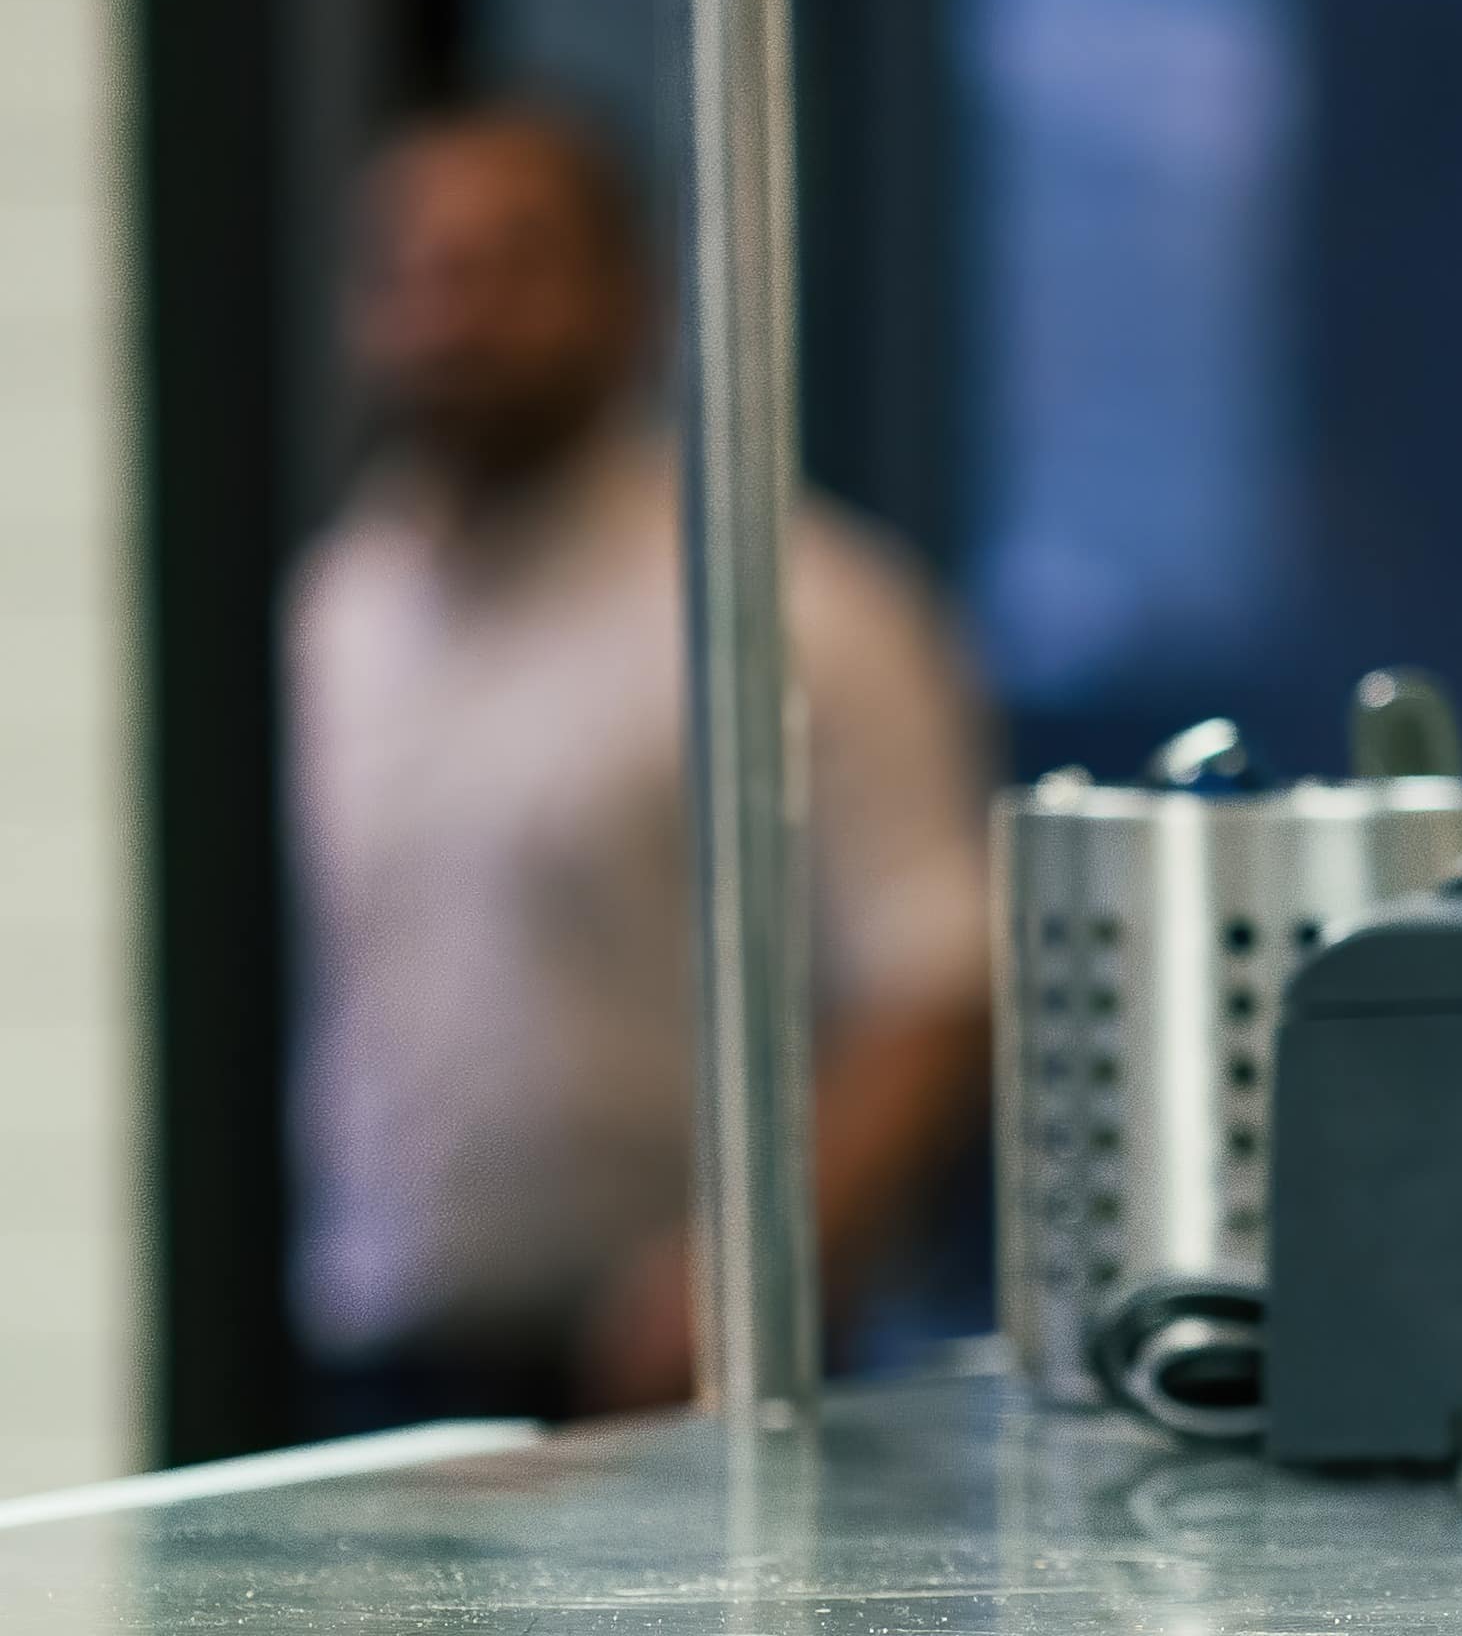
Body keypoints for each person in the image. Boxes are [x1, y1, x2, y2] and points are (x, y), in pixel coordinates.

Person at [289, 97, 993, 1429]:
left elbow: (938, 982)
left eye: (508, 264)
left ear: (633, 299)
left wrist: (738, 1274)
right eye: (414, 272)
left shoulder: (794, 607)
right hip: (378, 1366)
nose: (455, 315)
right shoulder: (335, 616)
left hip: (680, 1372)